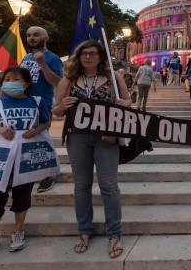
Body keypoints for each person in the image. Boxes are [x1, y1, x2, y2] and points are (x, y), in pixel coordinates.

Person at [52, 40, 131, 259]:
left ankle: (114, 233)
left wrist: (122, 104)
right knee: (82, 186)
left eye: (93, 54)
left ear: (100, 57)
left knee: (109, 186)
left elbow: (128, 102)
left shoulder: (114, 78)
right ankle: (84, 230)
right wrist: (63, 106)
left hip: (106, 137)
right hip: (78, 137)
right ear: (78, 57)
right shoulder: (68, 80)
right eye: (84, 54)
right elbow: (56, 111)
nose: (88, 57)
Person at [0, 66, 51, 253]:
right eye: (7, 79)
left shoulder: (36, 102)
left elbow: (46, 122)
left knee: (23, 196)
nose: (11, 82)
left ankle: (19, 231)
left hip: (26, 157)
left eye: (16, 79)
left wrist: (38, 129)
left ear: (26, 83)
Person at [20, 26, 63, 193]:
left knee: (43, 139)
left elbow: (57, 81)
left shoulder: (53, 58)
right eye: (29, 35)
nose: (32, 38)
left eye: (36, 35)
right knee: (24, 138)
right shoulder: (26, 57)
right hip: (24, 104)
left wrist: (43, 64)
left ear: (46, 37)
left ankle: (49, 174)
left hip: (41, 105)